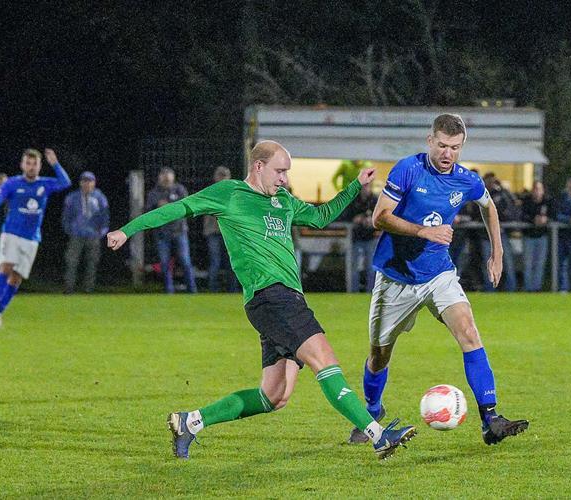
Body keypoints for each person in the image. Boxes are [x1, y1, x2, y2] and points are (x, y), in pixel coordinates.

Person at [106, 141, 416, 460]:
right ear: (258, 167)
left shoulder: (282, 199)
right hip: (272, 297)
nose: (284, 178)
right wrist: (128, 231)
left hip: (281, 301)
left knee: (274, 396)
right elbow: (177, 209)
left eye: (286, 172)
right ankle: (378, 436)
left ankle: (190, 422)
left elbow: (321, 216)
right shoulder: (229, 193)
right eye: (279, 171)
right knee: (325, 360)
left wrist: (355, 187)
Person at [348, 113, 528, 447]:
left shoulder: (466, 179)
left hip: (438, 274)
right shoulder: (407, 169)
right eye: (443, 145)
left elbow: (489, 207)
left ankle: (491, 419)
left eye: (455, 148)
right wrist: (423, 231)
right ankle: (371, 411)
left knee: (470, 333)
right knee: (379, 356)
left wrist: (498, 252)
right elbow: (379, 217)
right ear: (430, 140)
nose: (448, 154)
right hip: (395, 278)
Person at [0, 149, 71, 326]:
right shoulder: (12, 183)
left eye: (34, 164)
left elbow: (65, 182)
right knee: (6, 267)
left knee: (16, 278)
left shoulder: (45, 184)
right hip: (11, 233)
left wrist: (55, 163)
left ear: (40, 166)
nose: (31, 167)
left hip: (32, 238)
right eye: (28, 163)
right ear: (22, 165)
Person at [146, 167, 197, 293]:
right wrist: (157, 207)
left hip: (179, 231)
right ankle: (169, 290)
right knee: (165, 263)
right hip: (162, 234)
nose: (166, 179)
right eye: (164, 176)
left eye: (168, 177)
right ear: (159, 178)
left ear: (173, 178)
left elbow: (188, 207)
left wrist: (169, 206)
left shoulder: (180, 190)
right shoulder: (153, 194)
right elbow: (147, 212)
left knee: (185, 261)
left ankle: (192, 290)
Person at [62, 171, 110, 293]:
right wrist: (69, 229)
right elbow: (66, 216)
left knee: (92, 263)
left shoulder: (100, 198)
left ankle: (88, 289)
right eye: (84, 181)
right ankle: (69, 288)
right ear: (80, 183)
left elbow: (105, 216)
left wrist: (103, 231)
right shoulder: (72, 197)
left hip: (93, 235)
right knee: (71, 261)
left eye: (89, 181)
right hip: (76, 234)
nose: (87, 184)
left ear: (94, 183)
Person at [203, 166, 239, 292]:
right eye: (220, 176)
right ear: (215, 177)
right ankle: (213, 290)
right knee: (215, 262)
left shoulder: (234, 193)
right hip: (213, 231)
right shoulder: (210, 192)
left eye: (225, 176)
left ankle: (232, 290)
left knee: (232, 263)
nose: (223, 178)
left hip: (229, 232)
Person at [480, 172, 518, 292]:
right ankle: (490, 289)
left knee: (507, 262)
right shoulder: (480, 194)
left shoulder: (502, 194)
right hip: (485, 236)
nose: (491, 183)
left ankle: (511, 288)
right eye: (488, 181)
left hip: (501, 234)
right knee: (488, 264)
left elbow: (511, 208)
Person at [340, 181, 379, 292]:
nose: (365, 188)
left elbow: (381, 216)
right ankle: (353, 291)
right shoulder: (354, 200)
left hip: (370, 237)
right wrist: (356, 219)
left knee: (371, 268)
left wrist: (372, 221)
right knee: (354, 267)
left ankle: (370, 291)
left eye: (367, 185)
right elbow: (345, 216)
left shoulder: (375, 200)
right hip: (356, 238)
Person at [520, 180, 553, 292]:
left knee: (540, 263)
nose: (537, 191)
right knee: (528, 264)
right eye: (535, 189)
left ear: (543, 190)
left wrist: (546, 219)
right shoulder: (526, 201)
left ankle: (537, 288)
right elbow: (521, 215)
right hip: (528, 237)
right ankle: (528, 288)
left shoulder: (548, 201)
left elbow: (554, 215)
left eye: (539, 189)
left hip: (542, 237)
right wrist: (533, 220)